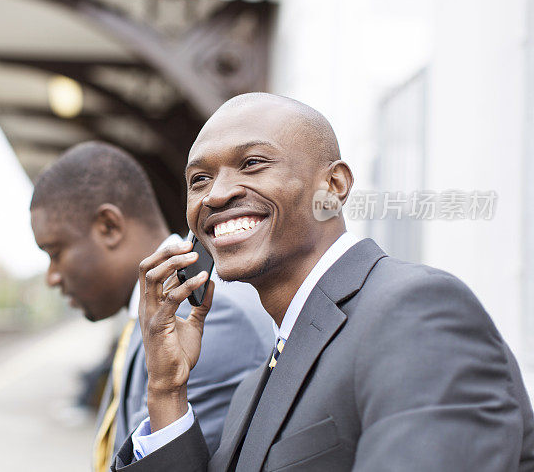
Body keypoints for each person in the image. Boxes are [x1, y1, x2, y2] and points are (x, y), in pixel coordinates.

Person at [114, 93, 534, 471]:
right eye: (199, 179)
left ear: (333, 186)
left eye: (252, 164)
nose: (216, 196)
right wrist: (167, 389)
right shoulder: (254, 386)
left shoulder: (416, 314)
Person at [29, 141, 275, 472]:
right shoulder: (151, 314)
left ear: (109, 227)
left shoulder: (201, 317)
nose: (52, 277)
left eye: (55, 253)